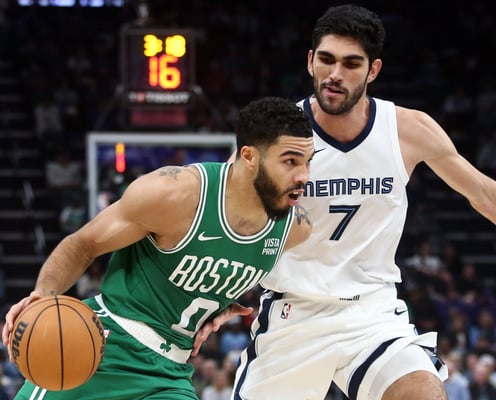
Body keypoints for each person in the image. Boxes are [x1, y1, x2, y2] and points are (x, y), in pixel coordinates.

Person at [196, 5, 496, 400]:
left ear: (373, 70)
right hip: (293, 312)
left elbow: (485, 195)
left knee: (423, 393)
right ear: (310, 61)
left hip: (372, 313)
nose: (335, 74)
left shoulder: (406, 129)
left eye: (351, 63)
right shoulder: (275, 136)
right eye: (327, 59)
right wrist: (211, 297)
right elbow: (221, 218)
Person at [1, 96, 315, 400]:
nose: (303, 176)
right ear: (249, 157)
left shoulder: (294, 229)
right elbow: (83, 244)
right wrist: (43, 294)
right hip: (102, 348)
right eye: (290, 161)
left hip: (170, 373)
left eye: (307, 162)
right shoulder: (175, 194)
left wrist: (221, 306)